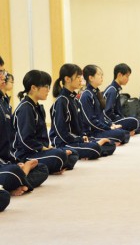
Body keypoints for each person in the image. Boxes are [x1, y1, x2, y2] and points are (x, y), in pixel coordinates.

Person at [12, 70, 79, 174]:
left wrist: (48, 148)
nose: (48, 90)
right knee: (60, 155)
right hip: (26, 154)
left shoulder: (37, 107)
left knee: (73, 153)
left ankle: (53, 165)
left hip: (39, 151)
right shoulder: (26, 108)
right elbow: (26, 140)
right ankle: (35, 166)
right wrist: (45, 149)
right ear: (34, 88)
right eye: (46, 86)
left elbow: (41, 137)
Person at [0, 56, 48, 197]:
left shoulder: (3, 103)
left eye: (4, 72)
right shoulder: (25, 107)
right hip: (17, 158)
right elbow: (24, 139)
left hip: (7, 160)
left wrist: (14, 162)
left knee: (42, 168)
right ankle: (18, 178)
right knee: (11, 176)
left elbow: (7, 142)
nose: (4, 76)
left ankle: (12, 182)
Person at [49, 63, 116, 160]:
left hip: (76, 140)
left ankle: (86, 151)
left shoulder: (75, 100)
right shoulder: (61, 101)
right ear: (67, 79)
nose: (81, 80)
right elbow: (61, 132)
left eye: (81, 77)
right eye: (78, 77)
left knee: (110, 144)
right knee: (95, 148)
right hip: (64, 143)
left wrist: (84, 137)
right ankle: (87, 151)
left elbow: (80, 126)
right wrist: (80, 139)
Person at [79, 64, 130, 145]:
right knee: (122, 134)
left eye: (102, 75)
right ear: (91, 78)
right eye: (99, 75)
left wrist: (110, 124)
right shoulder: (86, 95)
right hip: (93, 132)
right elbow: (90, 121)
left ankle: (109, 141)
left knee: (124, 132)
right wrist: (108, 128)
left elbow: (102, 115)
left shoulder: (96, 93)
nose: (102, 77)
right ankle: (100, 142)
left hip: (101, 129)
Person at [103, 63, 140, 135]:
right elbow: (107, 112)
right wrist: (119, 119)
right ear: (119, 75)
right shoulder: (112, 90)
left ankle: (124, 130)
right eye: (127, 76)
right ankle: (125, 132)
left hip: (116, 119)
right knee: (136, 122)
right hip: (110, 121)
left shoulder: (115, 89)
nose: (128, 79)